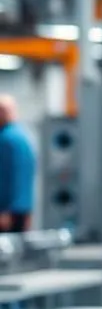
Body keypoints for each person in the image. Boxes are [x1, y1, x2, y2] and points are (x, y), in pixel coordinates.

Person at [0, 94, 37, 233]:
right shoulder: (20, 135)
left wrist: (7, 210)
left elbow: (18, 175)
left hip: (9, 210)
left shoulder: (8, 139)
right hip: (18, 208)